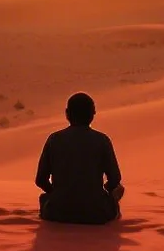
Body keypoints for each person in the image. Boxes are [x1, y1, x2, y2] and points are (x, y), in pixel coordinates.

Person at [35, 92, 125, 224]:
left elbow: (40, 180)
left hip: (57, 213)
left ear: (67, 113)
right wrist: (104, 192)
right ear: (92, 114)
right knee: (119, 190)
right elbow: (115, 179)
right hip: (96, 214)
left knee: (44, 198)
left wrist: (58, 193)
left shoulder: (54, 139)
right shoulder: (102, 140)